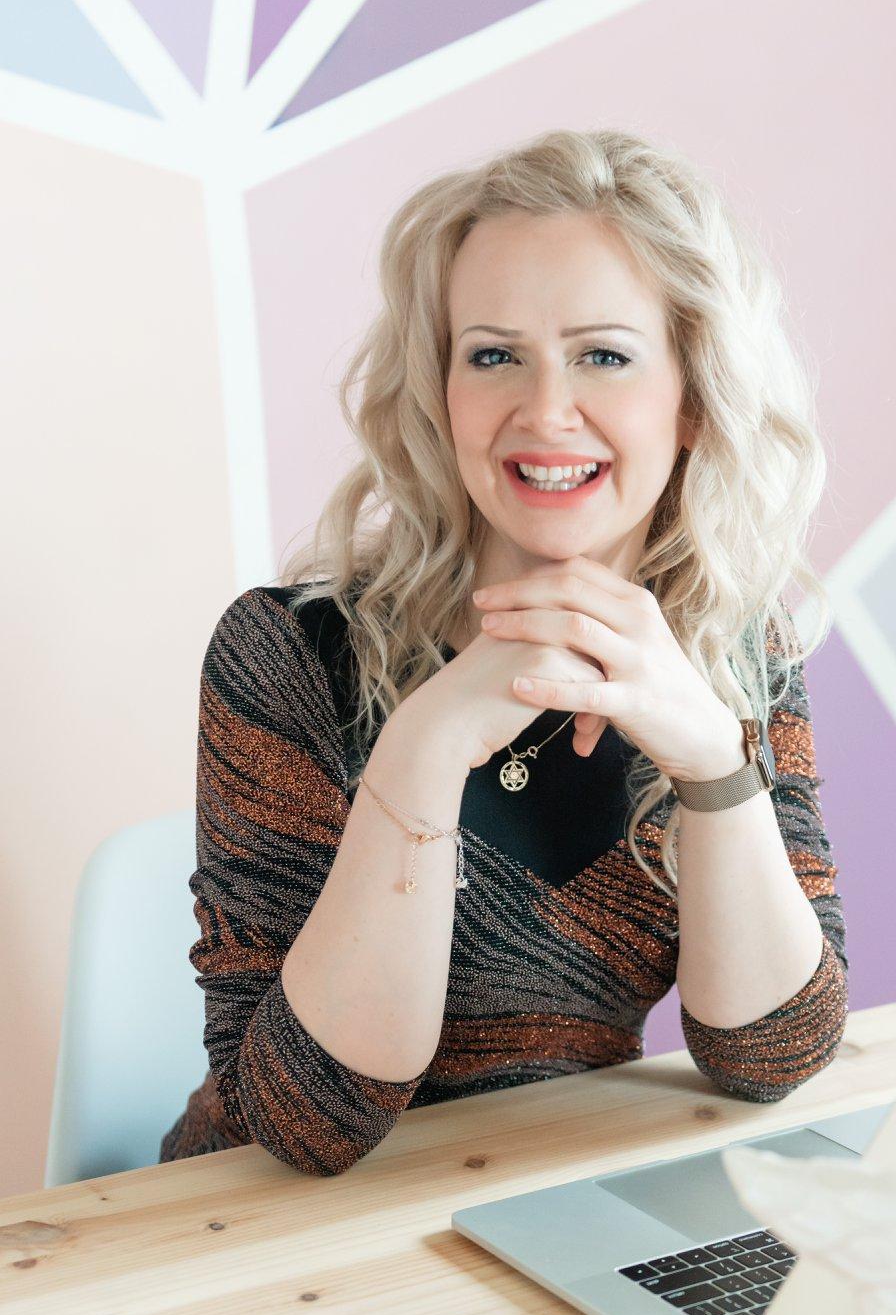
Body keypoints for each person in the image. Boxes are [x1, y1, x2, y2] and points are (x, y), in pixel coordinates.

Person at [159, 127, 849, 1174]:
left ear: (694, 400)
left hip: (539, 1197)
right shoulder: (287, 653)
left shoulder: (729, 643)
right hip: (266, 1237)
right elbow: (302, 1128)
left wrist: (712, 760)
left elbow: (771, 1054)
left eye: (603, 356)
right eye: (493, 356)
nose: (545, 411)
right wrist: (426, 744)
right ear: (440, 391)